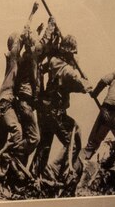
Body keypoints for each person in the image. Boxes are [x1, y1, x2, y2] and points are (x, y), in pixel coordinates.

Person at [0, 7, 42, 184]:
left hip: (6, 101)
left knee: (0, 140)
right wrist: (31, 15)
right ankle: (2, 161)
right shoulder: (13, 57)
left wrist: (36, 32)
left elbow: (27, 43)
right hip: (7, 103)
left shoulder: (13, 61)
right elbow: (24, 36)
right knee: (18, 134)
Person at [31, 31, 88, 183]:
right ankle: (58, 172)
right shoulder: (68, 72)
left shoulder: (54, 61)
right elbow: (82, 86)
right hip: (55, 112)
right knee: (74, 141)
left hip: (45, 109)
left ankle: (34, 175)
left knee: (45, 144)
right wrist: (87, 83)